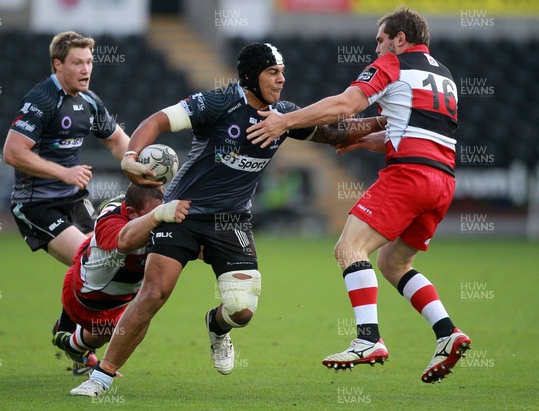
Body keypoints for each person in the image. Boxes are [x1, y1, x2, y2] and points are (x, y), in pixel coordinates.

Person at [70, 42, 387, 396]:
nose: (282, 78)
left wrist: (388, 118)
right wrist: (130, 156)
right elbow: (156, 121)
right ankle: (102, 377)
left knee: (241, 312)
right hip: (183, 213)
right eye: (273, 72)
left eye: (282, 71)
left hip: (232, 222)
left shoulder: (284, 116)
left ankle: (217, 326)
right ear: (252, 76)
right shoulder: (219, 103)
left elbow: (335, 133)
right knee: (154, 293)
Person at [247, 7, 471, 384]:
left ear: (400, 39)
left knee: (349, 249)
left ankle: (368, 338)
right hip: (442, 182)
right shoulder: (444, 76)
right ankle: (447, 332)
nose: (378, 48)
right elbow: (420, 134)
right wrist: (368, 141)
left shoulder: (391, 63)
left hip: (408, 177)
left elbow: (344, 105)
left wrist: (285, 120)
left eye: (381, 40)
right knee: (393, 264)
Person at [3, 31, 130, 337]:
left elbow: (115, 140)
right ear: (58, 65)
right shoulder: (42, 100)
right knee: (90, 260)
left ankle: (69, 333)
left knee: (110, 263)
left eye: (89, 61)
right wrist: (64, 173)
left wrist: (141, 164)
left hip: (74, 200)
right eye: (77, 62)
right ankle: (72, 335)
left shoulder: (88, 100)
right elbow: (12, 152)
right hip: (36, 204)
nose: (86, 69)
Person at [52, 184, 190, 375]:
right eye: (155, 213)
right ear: (132, 213)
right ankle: (73, 342)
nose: (162, 217)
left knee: (129, 323)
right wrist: (158, 215)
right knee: (125, 329)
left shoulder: (147, 209)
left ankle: (69, 338)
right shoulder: (112, 219)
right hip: (88, 299)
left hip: (112, 295)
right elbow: (126, 242)